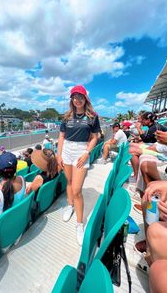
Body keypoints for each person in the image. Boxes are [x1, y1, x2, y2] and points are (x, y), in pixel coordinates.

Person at [57, 85, 101, 246]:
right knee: (68, 182)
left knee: (77, 190)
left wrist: (87, 153)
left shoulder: (92, 117)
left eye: (80, 96)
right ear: (71, 99)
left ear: (85, 98)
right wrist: (58, 154)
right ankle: (70, 206)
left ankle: (80, 223)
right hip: (67, 149)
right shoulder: (67, 116)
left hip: (82, 150)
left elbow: (95, 137)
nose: (77, 99)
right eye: (74, 97)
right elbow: (61, 136)